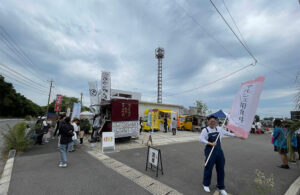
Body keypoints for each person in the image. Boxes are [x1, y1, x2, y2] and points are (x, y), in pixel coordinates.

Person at [199, 115, 236, 195]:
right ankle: (205, 184)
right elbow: (201, 139)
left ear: (216, 122)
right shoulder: (205, 130)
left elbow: (228, 133)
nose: (212, 122)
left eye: (214, 121)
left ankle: (221, 186)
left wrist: (237, 135)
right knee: (208, 168)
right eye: (211, 121)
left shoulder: (219, 129)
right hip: (210, 151)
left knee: (221, 169)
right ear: (208, 122)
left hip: (219, 152)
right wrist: (210, 143)